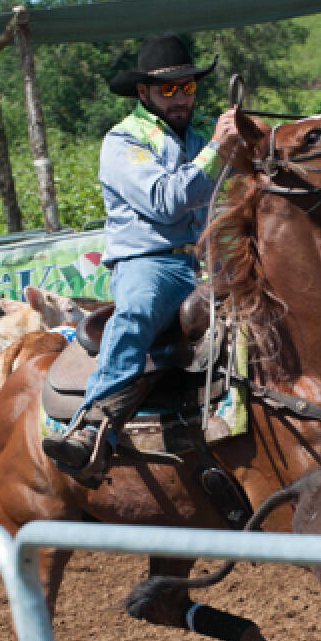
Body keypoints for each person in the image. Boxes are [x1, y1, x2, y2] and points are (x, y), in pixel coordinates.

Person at [42, 33, 240, 477]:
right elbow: (166, 201)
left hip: (209, 255)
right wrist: (217, 149)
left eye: (187, 87)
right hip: (150, 264)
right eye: (168, 89)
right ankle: (91, 428)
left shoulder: (206, 129)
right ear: (143, 92)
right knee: (137, 312)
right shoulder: (122, 142)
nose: (180, 97)